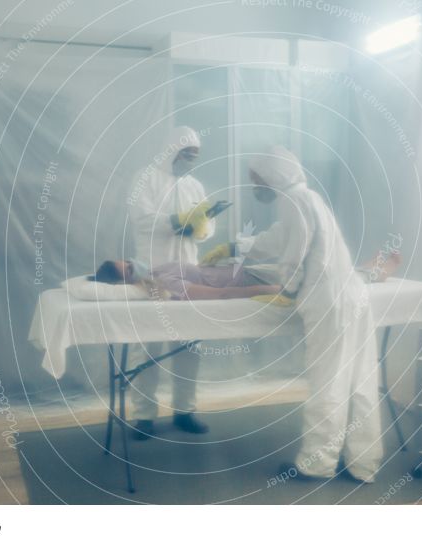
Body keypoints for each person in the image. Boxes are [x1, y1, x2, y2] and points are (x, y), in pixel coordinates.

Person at [201, 146, 385, 483]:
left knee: (327, 381)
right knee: (360, 381)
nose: (255, 187)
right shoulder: (306, 198)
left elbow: (294, 252)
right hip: (353, 296)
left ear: (273, 175)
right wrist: (236, 248)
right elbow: (277, 239)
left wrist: (287, 288)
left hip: (329, 302)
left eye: (257, 180)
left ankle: (317, 464)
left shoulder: (294, 201)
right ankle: (363, 462)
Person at [126, 126, 215, 440]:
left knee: (190, 344)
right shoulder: (146, 179)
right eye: (186, 154)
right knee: (147, 344)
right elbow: (141, 218)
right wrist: (175, 221)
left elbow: (209, 225)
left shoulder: (195, 185)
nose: (190, 160)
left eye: (195, 156)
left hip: (187, 273)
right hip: (152, 273)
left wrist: (199, 229)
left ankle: (185, 411)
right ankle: (144, 416)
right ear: (170, 150)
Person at [92, 259, 281, 300]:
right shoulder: (164, 283)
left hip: (248, 267)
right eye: (130, 269)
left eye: (128, 261)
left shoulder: (156, 270)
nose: (134, 263)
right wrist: (269, 289)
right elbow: (222, 294)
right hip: (253, 278)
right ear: (126, 283)